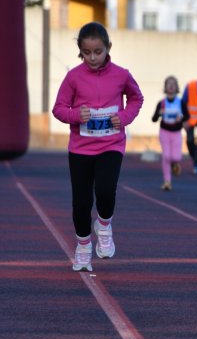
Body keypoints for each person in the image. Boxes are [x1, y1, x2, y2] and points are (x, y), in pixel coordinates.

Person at [52, 22, 144, 272]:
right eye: (87, 52)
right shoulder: (73, 77)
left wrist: (123, 117)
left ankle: (104, 225)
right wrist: (75, 115)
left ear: (108, 49)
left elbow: (137, 98)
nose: (92, 57)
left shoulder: (122, 75)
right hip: (81, 148)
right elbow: (58, 108)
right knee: (81, 202)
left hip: (111, 144)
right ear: (80, 52)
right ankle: (83, 247)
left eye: (98, 52)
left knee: (105, 191)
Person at [152, 75, 186, 190]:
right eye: (169, 84)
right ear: (165, 87)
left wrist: (181, 119)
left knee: (176, 157)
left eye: (173, 84)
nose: (171, 86)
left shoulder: (180, 102)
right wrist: (159, 113)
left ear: (177, 87)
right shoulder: (161, 103)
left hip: (176, 132)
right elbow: (154, 119)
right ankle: (167, 181)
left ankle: (175, 164)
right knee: (166, 156)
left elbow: (188, 116)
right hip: (164, 132)